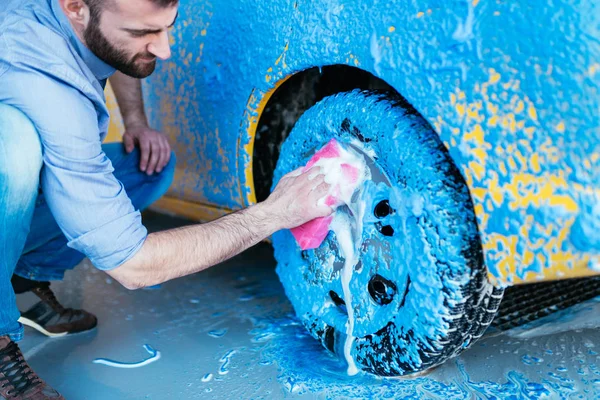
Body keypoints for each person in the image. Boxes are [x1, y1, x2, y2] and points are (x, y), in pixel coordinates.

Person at [0, 0, 334, 398]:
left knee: (149, 167)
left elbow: (108, 44)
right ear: (75, 8)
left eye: (166, 27)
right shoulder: (42, 78)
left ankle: (25, 274)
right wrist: (275, 214)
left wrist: (136, 122)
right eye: (143, 35)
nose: (165, 49)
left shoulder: (92, 19)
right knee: (14, 149)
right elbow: (133, 265)